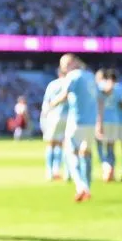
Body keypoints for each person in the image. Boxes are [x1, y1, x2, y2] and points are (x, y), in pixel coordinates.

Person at [48, 54, 100, 202]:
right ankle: (88, 187)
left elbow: (64, 95)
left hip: (77, 120)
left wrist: (52, 103)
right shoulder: (90, 76)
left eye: (64, 64)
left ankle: (80, 186)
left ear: (71, 64)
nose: (63, 68)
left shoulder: (73, 76)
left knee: (71, 152)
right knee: (86, 152)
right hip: (91, 121)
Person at [40, 69, 68, 181]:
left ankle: (49, 171)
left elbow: (46, 102)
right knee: (63, 144)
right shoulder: (69, 83)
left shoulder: (53, 84)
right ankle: (60, 170)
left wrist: (43, 118)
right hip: (67, 116)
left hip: (53, 115)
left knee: (51, 143)